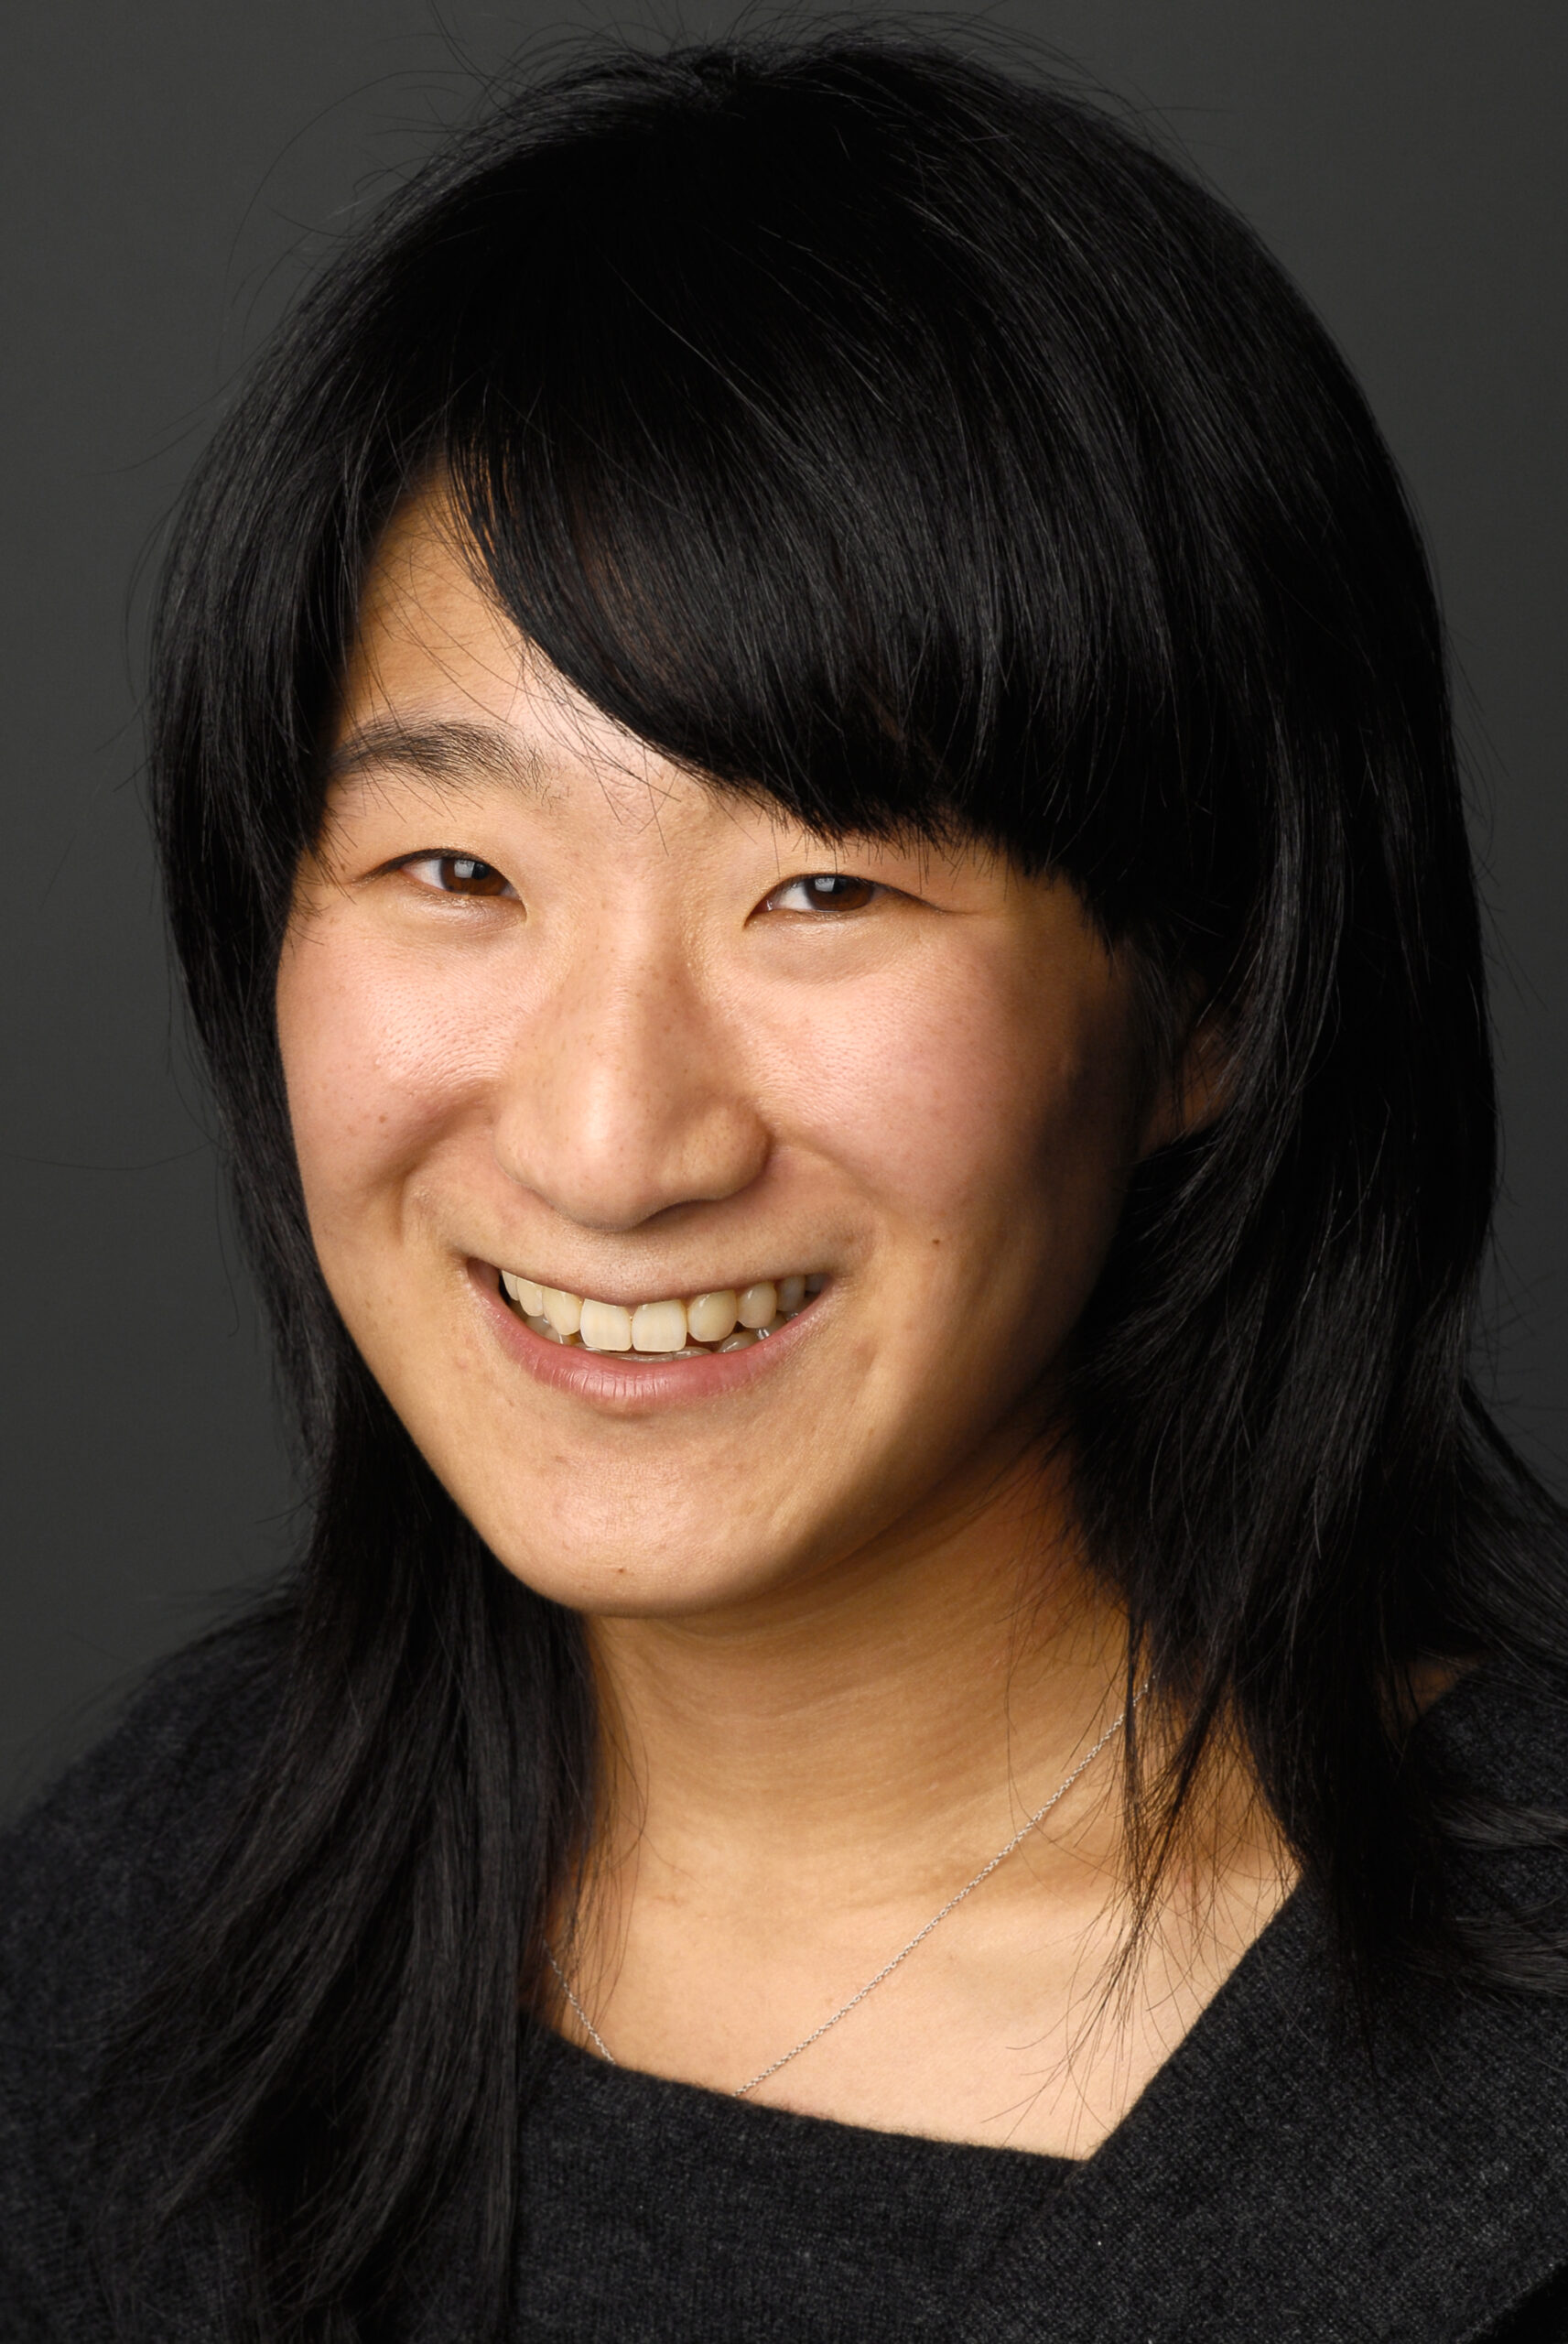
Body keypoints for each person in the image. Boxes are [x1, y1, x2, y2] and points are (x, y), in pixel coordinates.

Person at [3, 27, 1566, 2341]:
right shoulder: (138, 1934)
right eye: (455, 865)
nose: (607, 1143)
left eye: (823, 889)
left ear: (1211, 992)